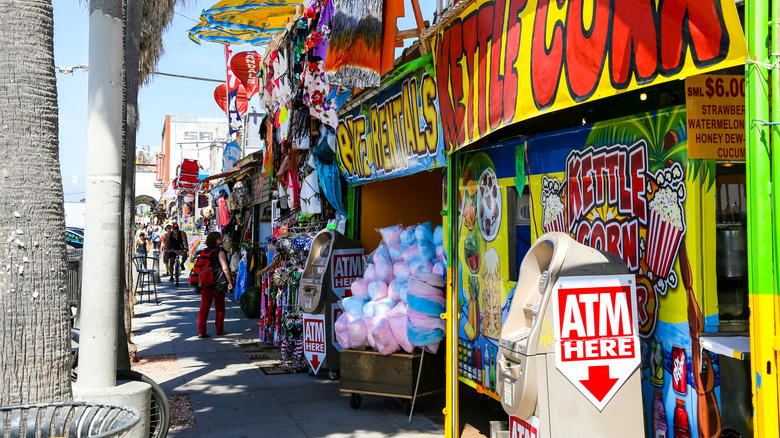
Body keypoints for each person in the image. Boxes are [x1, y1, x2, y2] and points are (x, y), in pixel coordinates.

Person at [198, 232, 233, 338]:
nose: (221, 239)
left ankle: (201, 331)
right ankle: (219, 330)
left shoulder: (204, 251)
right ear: (215, 240)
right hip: (218, 283)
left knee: (204, 307)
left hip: (206, 283)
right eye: (219, 238)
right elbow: (225, 268)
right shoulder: (219, 251)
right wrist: (230, 282)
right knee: (220, 308)